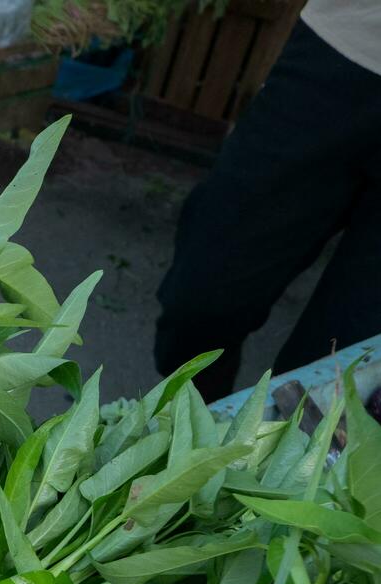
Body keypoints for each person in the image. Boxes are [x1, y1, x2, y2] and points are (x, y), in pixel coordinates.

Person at [154, 0, 381, 402]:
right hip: (346, 44)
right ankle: (193, 427)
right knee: (202, 294)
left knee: (338, 376)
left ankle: (269, 455)